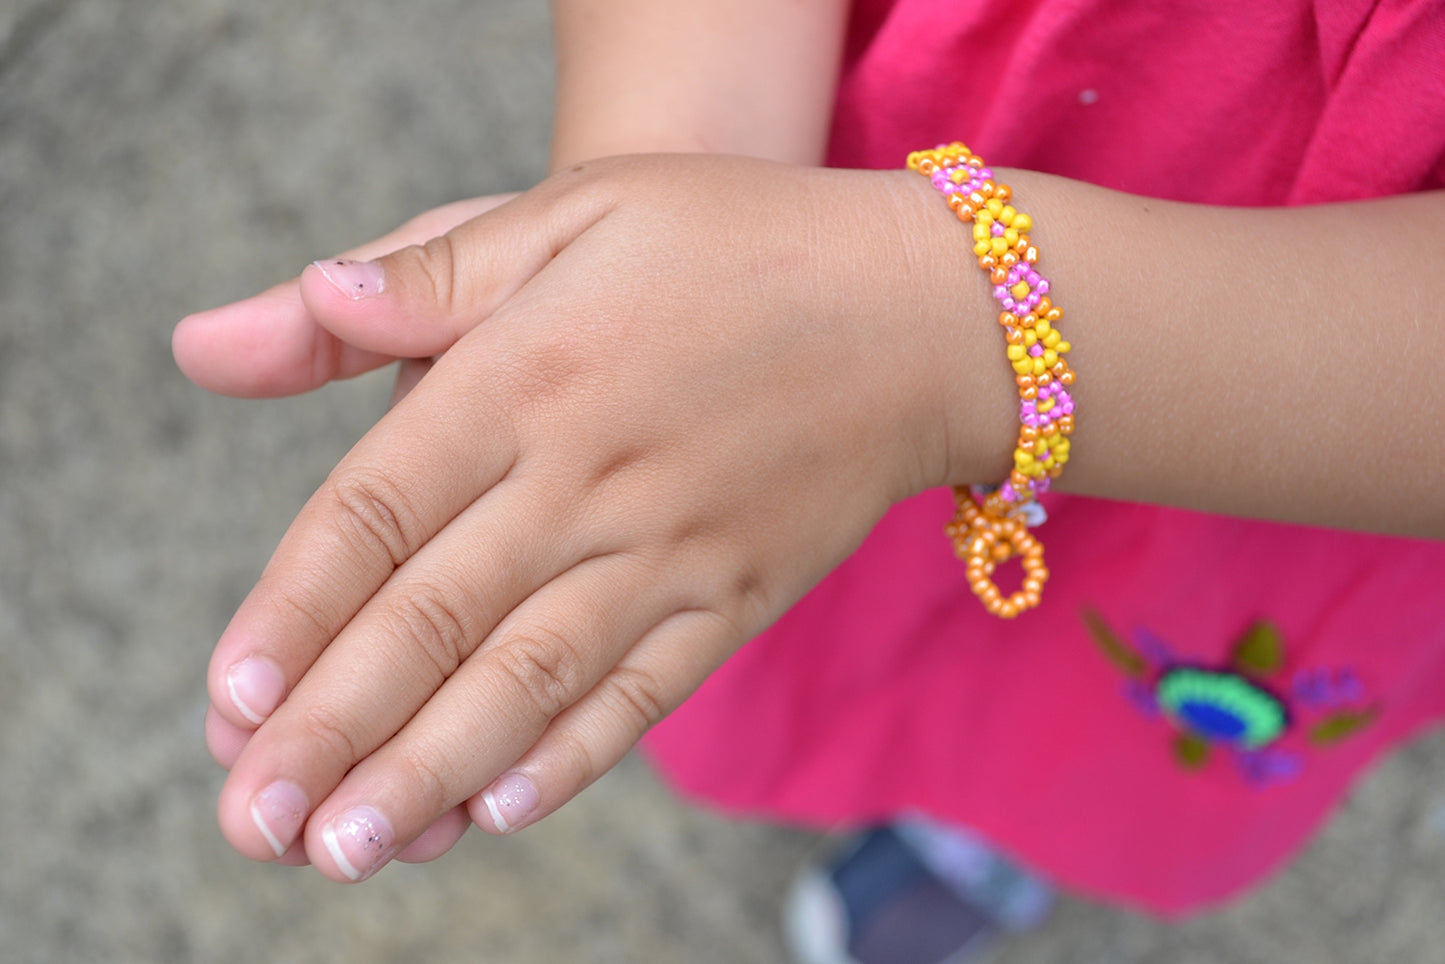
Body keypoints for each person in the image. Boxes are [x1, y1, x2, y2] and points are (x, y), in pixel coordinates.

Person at [173, 0, 1445, 960]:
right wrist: (659, 214)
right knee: (786, 588)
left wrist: (937, 340)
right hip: (831, 217)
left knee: (1105, 719)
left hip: (1309, 415)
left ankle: (991, 832)